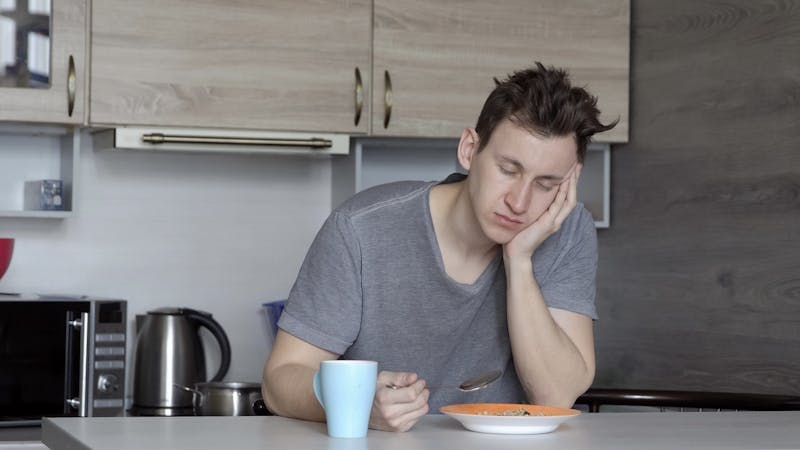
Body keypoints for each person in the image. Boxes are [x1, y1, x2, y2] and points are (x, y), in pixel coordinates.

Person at [262, 62, 617, 432]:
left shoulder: (567, 229)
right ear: (469, 149)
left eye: (546, 184)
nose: (520, 202)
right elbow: (280, 380)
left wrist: (520, 259)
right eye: (508, 170)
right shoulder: (361, 228)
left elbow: (555, 396)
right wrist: (358, 404)